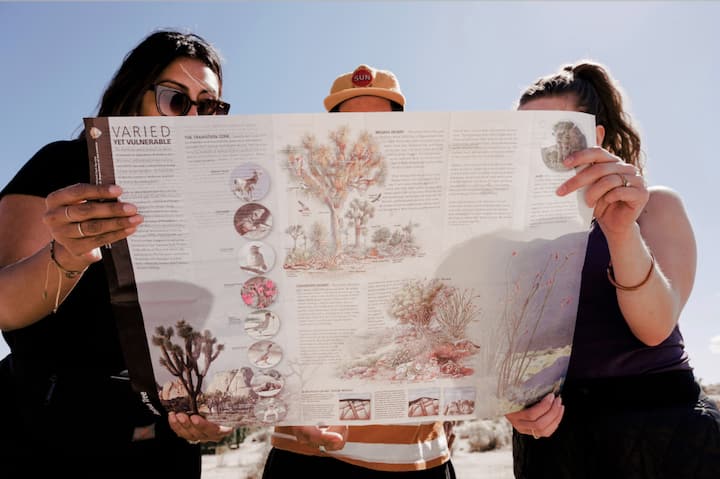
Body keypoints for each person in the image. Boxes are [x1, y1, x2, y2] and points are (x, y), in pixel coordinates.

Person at [0, 29, 233, 478]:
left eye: (209, 106)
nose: (193, 118)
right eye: (177, 100)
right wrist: (67, 255)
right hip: (45, 439)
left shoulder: (215, 196)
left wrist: (220, 408)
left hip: (163, 445)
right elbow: (5, 307)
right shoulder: (64, 165)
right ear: (132, 94)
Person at [504, 60, 720, 478]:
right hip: (555, 440)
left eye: (556, 134)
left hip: (661, 428)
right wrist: (512, 404)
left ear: (595, 137)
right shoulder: (513, 233)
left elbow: (654, 328)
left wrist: (619, 231)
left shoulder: (655, 207)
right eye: (523, 138)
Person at [262, 64, 456, 478]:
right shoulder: (289, 213)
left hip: (417, 458)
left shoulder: (433, 212)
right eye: (350, 125)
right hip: (308, 454)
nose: (365, 137)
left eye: (380, 125)